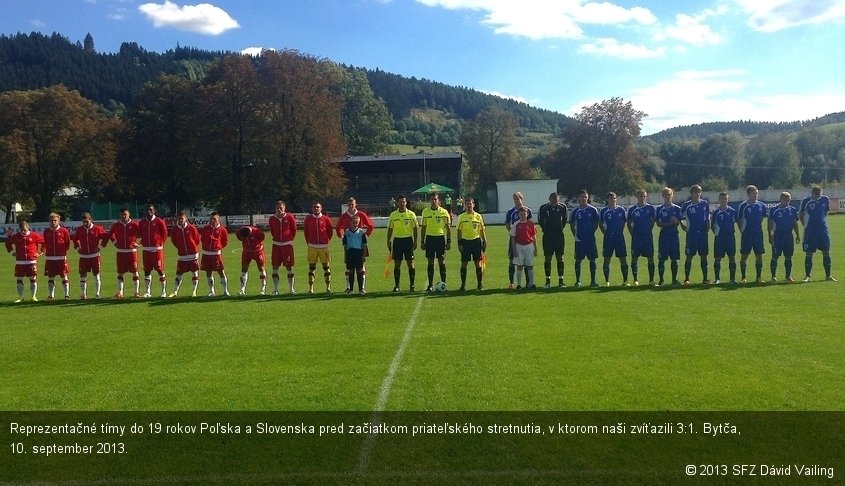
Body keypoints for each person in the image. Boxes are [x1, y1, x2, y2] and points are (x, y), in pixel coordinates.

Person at [336, 197, 373, 292]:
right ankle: (349, 287)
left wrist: (366, 235)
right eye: (349, 205)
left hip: (360, 244)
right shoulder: (344, 216)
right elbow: (338, 227)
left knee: (362, 266)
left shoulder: (361, 214)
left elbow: (370, 225)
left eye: (352, 204)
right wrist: (341, 236)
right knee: (348, 267)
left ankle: (362, 287)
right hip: (349, 245)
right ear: (347, 205)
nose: (351, 206)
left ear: (355, 204)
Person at [799, 185, 836, 282]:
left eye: (820, 194)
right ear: (812, 193)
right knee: (809, 252)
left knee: (826, 251)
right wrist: (805, 226)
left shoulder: (825, 199)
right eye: (817, 195)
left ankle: (828, 276)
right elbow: (801, 214)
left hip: (822, 230)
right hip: (810, 231)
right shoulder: (806, 201)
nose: (818, 196)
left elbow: (825, 212)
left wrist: (822, 221)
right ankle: (807, 276)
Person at [5, 220, 44, 302]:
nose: (23, 231)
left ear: (28, 228)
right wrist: (12, 252)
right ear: (19, 229)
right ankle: (20, 297)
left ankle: (33, 296)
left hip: (32, 261)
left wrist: (40, 252)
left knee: (33, 279)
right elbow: (8, 243)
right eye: (21, 230)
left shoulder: (34, 235)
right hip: (20, 262)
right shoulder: (17, 236)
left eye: (25, 230)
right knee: (19, 279)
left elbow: (44, 242)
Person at [387, 195, 418, 292]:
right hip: (397, 241)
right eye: (400, 202)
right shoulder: (393, 215)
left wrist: (415, 241)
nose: (402, 203)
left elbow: (415, 228)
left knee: (410, 264)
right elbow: (390, 229)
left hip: (408, 241)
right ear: (397, 203)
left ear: (406, 202)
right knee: (397, 264)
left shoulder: (411, 214)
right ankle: (397, 286)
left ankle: (412, 285)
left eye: (404, 202)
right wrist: (388, 241)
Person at [420, 193, 451, 291]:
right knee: (430, 261)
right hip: (429, 239)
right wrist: (422, 241)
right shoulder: (425, 212)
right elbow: (423, 227)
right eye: (432, 199)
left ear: (438, 201)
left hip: (440, 238)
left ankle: (444, 284)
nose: (434, 201)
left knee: (442, 261)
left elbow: (448, 228)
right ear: (430, 200)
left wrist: (449, 241)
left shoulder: (444, 212)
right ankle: (430, 285)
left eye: (435, 199)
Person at [680, 184, 710, 285]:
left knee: (704, 256)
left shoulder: (705, 203)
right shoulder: (686, 205)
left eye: (699, 192)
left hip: (702, 234)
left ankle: (705, 279)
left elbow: (707, 216)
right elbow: (679, 216)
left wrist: (708, 224)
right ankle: (687, 278)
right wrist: (682, 225)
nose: (697, 194)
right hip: (691, 235)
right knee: (689, 256)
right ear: (691, 193)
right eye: (695, 192)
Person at [73, 212, 107, 299]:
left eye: (87, 221)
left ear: (90, 220)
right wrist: (78, 249)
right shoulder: (79, 229)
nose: (85, 223)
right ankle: (83, 294)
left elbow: (105, 238)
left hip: (95, 256)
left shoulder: (98, 228)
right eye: (83, 222)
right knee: (82, 275)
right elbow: (75, 240)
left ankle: (97, 294)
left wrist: (100, 247)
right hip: (84, 257)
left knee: (96, 274)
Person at [569, 189, 600, 287]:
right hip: (579, 240)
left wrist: (591, 232)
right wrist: (576, 235)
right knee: (578, 260)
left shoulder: (593, 210)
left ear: (588, 198)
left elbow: (596, 223)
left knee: (592, 259)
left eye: (585, 197)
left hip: (590, 239)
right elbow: (572, 225)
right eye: (582, 197)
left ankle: (593, 281)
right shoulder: (575, 211)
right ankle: (578, 281)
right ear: (579, 198)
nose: (583, 198)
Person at [737, 185, 767, 283]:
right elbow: (739, 219)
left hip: (758, 234)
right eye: (754, 193)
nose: (756, 195)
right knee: (744, 255)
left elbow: (762, 217)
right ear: (748, 194)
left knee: (759, 255)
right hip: (747, 234)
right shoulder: (743, 206)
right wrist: (742, 230)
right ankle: (743, 277)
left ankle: (758, 277)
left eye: (757, 193)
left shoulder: (761, 205)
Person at [768, 191, 800, 282]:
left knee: (788, 256)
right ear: (780, 199)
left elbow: (795, 223)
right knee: (775, 256)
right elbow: (769, 224)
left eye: (788, 200)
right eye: (785, 200)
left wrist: (797, 235)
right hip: (777, 236)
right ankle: (773, 276)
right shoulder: (773, 210)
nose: (787, 202)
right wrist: (770, 236)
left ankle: (788, 276)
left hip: (789, 236)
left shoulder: (792, 209)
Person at [108, 208, 141, 299]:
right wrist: (115, 243)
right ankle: (120, 292)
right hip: (121, 252)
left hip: (132, 252)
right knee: (120, 272)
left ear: (129, 214)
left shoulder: (135, 224)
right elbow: (110, 234)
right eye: (122, 214)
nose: (124, 216)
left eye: (125, 214)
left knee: (134, 272)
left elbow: (144, 233)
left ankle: (136, 292)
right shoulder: (116, 225)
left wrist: (139, 244)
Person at [138, 204, 169, 298]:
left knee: (160, 270)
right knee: (147, 271)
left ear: (154, 210)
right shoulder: (142, 222)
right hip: (146, 250)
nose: (148, 211)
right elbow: (140, 234)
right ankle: (147, 292)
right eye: (147, 210)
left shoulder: (159, 221)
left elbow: (165, 234)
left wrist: (159, 243)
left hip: (157, 250)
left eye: (150, 209)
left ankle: (163, 291)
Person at [456, 197, 487, 291]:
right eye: (467, 204)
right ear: (465, 205)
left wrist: (485, 241)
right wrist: (459, 243)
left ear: (474, 205)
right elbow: (459, 231)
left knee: (478, 263)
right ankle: (463, 285)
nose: (469, 205)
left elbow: (481, 230)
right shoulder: (461, 217)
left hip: (476, 242)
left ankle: (479, 284)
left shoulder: (478, 216)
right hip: (465, 242)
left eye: (470, 204)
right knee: (464, 264)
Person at [627, 189, 656, 286]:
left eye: (644, 196)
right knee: (634, 258)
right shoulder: (632, 209)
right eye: (640, 196)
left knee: (650, 258)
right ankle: (635, 280)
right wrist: (633, 234)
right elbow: (629, 223)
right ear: (637, 197)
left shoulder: (651, 208)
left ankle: (651, 280)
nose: (642, 198)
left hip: (647, 237)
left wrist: (648, 230)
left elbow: (653, 222)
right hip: (637, 237)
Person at [537, 192, 567, 288]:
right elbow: (540, 220)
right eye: (552, 199)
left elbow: (565, 219)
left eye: (556, 199)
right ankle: (547, 281)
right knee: (548, 257)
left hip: (559, 236)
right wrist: (545, 229)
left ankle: (561, 280)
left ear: (558, 199)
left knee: (560, 257)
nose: (554, 201)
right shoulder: (544, 208)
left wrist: (560, 228)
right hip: (548, 236)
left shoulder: (563, 207)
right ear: (549, 199)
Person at [599, 192, 629, 286]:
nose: (613, 200)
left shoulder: (621, 210)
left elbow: (624, 222)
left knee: (623, 258)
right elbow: (600, 224)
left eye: (614, 198)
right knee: (607, 259)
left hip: (619, 237)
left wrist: (620, 231)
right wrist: (605, 232)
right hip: (608, 238)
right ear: (607, 200)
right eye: (611, 198)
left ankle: (625, 281)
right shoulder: (604, 211)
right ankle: (607, 281)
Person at [304, 201, 333, 293]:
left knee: (326, 267)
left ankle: (328, 288)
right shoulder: (308, 219)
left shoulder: (326, 219)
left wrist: (326, 241)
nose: (316, 208)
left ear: (321, 208)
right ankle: (311, 289)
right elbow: (306, 232)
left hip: (324, 246)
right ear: (312, 209)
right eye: (314, 207)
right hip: (312, 246)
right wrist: (309, 242)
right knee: (311, 267)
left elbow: (330, 232)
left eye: (318, 207)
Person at [269, 200, 298, 295]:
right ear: (275, 208)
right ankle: (276, 289)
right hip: (276, 245)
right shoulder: (272, 219)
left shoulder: (290, 217)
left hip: (287, 245)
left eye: (281, 207)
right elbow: (272, 231)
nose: (279, 209)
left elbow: (294, 230)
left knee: (289, 267)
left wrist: (288, 239)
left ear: (284, 208)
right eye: (277, 208)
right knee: (275, 267)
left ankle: (291, 289)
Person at [169, 210, 201, 297]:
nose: (180, 220)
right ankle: (175, 291)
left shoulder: (191, 228)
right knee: (179, 273)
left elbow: (197, 239)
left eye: (182, 218)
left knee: (194, 273)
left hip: (193, 255)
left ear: (186, 218)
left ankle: (194, 291)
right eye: (179, 218)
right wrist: (180, 248)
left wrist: (192, 247)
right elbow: (174, 241)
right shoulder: (175, 229)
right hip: (182, 256)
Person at [505, 192, 532, 289]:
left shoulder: (528, 210)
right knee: (512, 260)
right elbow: (508, 224)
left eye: (518, 198)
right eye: (514, 199)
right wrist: (513, 233)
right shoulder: (510, 212)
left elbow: (529, 224)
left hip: (525, 240)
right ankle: (512, 283)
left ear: (522, 198)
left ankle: (528, 283)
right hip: (514, 240)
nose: (516, 200)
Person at [200, 211, 231, 297]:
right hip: (206, 254)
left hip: (216, 254)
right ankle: (211, 291)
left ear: (218, 219)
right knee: (208, 272)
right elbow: (202, 239)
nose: (212, 220)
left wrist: (217, 247)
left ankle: (225, 291)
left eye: (214, 219)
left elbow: (225, 242)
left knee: (221, 271)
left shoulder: (222, 230)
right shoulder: (206, 228)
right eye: (211, 219)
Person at [655, 187, 682, 286]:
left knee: (674, 259)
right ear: (662, 196)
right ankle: (661, 280)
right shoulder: (659, 209)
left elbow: (678, 222)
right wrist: (670, 223)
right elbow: (658, 223)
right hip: (664, 236)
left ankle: (674, 280)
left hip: (674, 235)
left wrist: (675, 222)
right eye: (665, 195)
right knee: (661, 259)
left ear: (672, 195)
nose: (667, 196)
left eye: (669, 194)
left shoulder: (677, 208)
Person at [43, 212, 71, 300]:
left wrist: (62, 252)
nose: (53, 222)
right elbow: (45, 243)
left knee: (64, 276)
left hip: (61, 258)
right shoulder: (46, 231)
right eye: (51, 220)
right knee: (51, 277)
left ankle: (66, 295)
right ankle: (51, 296)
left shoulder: (64, 231)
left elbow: (67, 243)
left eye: (55, 220)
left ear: (58, 221)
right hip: (50, 258)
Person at [711, 192, 738, 285]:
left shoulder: (733, 211)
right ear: (719, 200)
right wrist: (717, 234)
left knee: (732, 257)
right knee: (717, 258)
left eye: (725, 198)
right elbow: (712, 226)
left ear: (728, 200)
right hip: (719, 238)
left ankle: (732, 279)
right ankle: (717, 279)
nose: (723, 200)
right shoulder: (715, 213)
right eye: (722, 198)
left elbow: (737, 222)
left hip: (730, 237)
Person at [509, 206, 537, 289]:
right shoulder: (516, 224)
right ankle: (519, 285)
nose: (523, 215)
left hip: (529, 246)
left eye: (524, 214)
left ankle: (531, 283)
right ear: (518, 214)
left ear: (527, 214)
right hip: (519, 246)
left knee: (530, 265)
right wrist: (514, 250)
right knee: (519, 266)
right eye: (521, 214)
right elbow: (513, 238)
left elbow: (534, 236)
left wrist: (535, 248)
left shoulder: (531, 224)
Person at [236, 225, 267, 295]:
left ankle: (263, 289)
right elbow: (238, 237)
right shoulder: (239, 232)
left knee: (261, 268)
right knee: (244, 269)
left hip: (258, 251)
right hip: (246, 252)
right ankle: (242, 289)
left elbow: (262, 238)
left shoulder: (257, 232)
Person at [342, 215, 368, 295]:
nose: (355, 224)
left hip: (359, 253)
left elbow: (364, 245)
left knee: (360, 271)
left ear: (359, 222)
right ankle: (351, 289)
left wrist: (363, 255)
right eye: (353, 222)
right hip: (350, 253)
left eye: (356, 222)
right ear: (351, 222)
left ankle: (361, 289)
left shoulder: (361, 232)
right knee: (351, 271)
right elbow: (345, 246)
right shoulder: (347, 232)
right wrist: (345, 256)